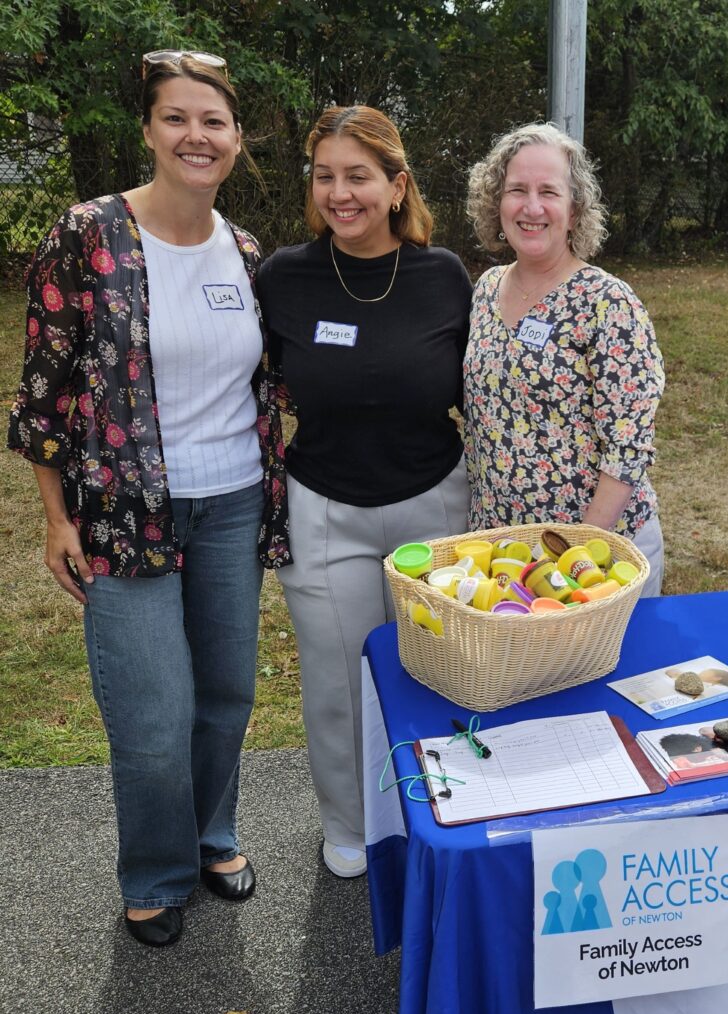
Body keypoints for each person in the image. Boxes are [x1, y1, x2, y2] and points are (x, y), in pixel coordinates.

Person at [7, 51, 290, 947]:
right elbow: (44, 387)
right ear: (148, 130)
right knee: (153, 716)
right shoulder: (88, 233)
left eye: (213, 122)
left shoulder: (245, 252)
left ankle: (212, 838)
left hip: (232, 505)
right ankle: (157, 874)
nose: (195, 136)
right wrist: (56, 518)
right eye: (176, 117)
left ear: (236, 140)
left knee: (226, 696)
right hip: (121, 514)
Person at [258, 106, 471, 877]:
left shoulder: (443, 276)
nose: (339, 193)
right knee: (338, 684)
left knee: (442, 671)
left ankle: (446, 813)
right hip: (325, 512)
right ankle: (351, 826)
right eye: (324, 176)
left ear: (396, 185)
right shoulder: (282, 277)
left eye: (357, 176)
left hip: (435, 506)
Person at [464, 123, 665, 597]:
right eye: (517, 190)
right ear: (497, 203)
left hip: (595, 557)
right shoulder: (486, 290)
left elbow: (628, 446)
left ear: (574, 211)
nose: (532, 207)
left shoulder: (608, 303)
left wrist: (575, 553)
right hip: (505, 554)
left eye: (549, 192)